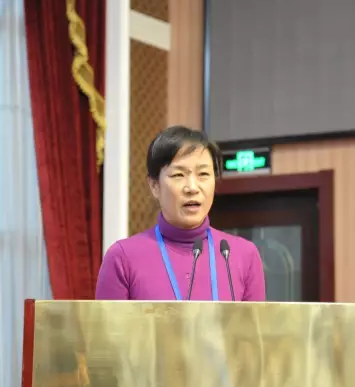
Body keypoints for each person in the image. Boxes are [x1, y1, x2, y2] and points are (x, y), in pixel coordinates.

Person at [95, 125, 266, 301]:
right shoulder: (123, 257)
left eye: (203, 174)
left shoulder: (243, 255)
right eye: (178, 175)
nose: (192, 187)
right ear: (154, 186)